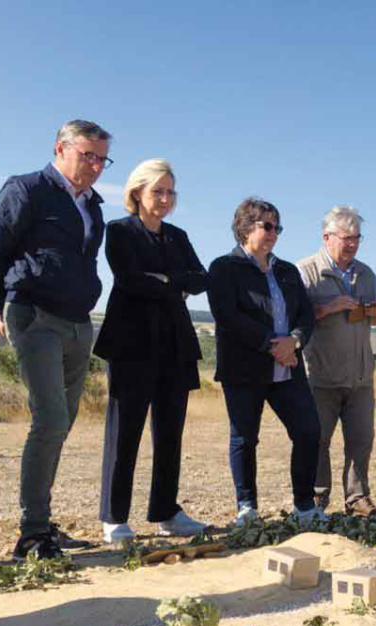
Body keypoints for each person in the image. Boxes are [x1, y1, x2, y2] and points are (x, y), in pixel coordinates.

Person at [0, 119, 111, 559]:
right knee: (51, 420)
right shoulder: (26, 189)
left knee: (62, 425)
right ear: (61, 148)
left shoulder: (93, 206)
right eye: (87, 155)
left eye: (101, 158)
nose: (95, 166)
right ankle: (32, 533)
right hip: (34, 315)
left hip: (79, 321)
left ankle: (43, 521)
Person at [93, 159, 210, 544]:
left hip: (174, 344)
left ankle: (165, 511)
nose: (165, 199)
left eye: (170, 192)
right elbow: (129, 279)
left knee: (170, 433)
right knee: (125, 432)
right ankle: (114, 516)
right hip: (131, 344)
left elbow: (201, 278)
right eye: (157, 191)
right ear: (136, 194)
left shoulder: (177, 236)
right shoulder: (120, 231)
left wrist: (165, 280)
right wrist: (173, 284)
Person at [207, 197, 324, 526]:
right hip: (244, 368)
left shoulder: (287, 271)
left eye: (278, 227)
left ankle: (305, 507)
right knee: (245, 437)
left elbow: (305, 314)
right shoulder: (223, 268)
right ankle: (247, 507)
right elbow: (228, 315)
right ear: (245, 227)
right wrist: (271, 344)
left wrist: (295, 341)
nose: (275, 233)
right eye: (267, 226)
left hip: (288, 366)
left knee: (308, 431)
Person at [296, 206, 376, 517]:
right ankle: (317, 499)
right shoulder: (306, 271)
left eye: (357, 238)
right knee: (318, 440)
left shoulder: (365, 272)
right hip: (320, 375)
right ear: (327, 237)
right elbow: (297, 317)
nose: (352, 244)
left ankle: (358, 498)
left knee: (361, 440)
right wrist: (330, 307)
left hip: (361, 375)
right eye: (346, 238)